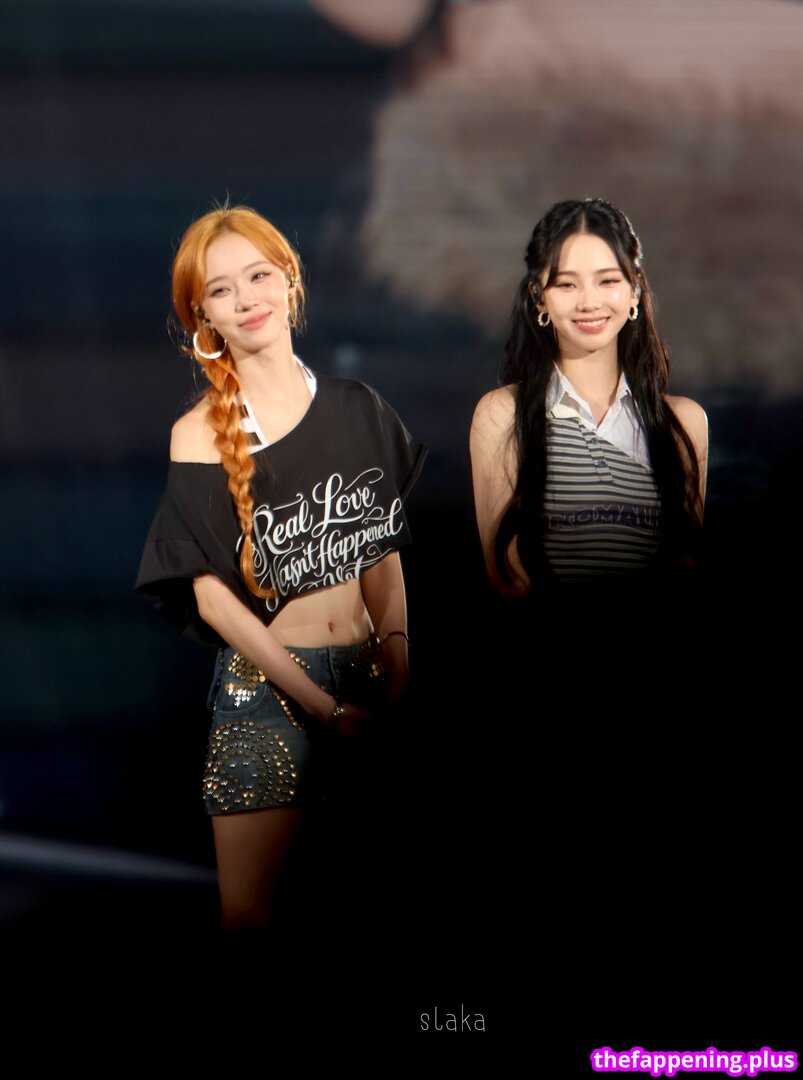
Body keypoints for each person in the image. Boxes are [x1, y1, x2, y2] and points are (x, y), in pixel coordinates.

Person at [136, 205, 425, 933]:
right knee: (251, 916)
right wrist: (324, 709)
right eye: (221, 290)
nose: (246, 299)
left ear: (290, 281)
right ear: (204, 318)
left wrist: (397, 659)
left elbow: (381, 548)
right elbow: (211, 599)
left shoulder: (359, 408)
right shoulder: (198, 434)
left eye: (258, 275)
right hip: (265, 691)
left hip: (371, 674)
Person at [470, 197, 708, 600]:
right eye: (566, 284)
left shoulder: (683, 423)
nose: (589, 302)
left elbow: (685, 569)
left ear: (635, 290)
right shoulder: (502, 415)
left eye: (608, 281)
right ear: (538, 297)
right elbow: (508, 580)